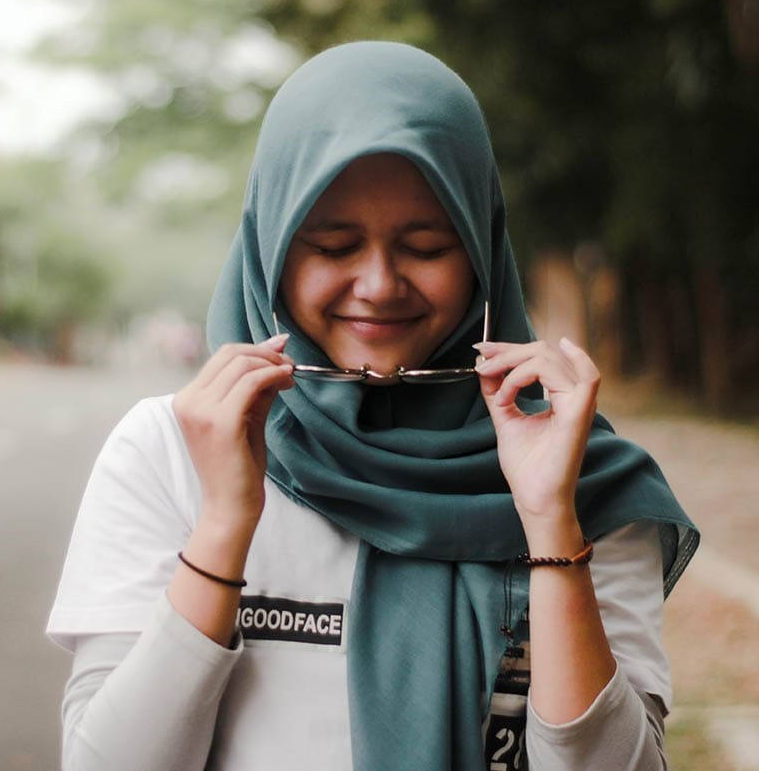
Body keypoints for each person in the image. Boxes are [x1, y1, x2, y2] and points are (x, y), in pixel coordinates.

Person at [46, 41, 699, 771]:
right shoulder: (171, 451)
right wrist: (224, 524)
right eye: (334, 246)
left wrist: (550, 520)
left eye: (427, 246)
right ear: (271, 250)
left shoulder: (577, 471)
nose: (380, 285)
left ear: (482, 251)